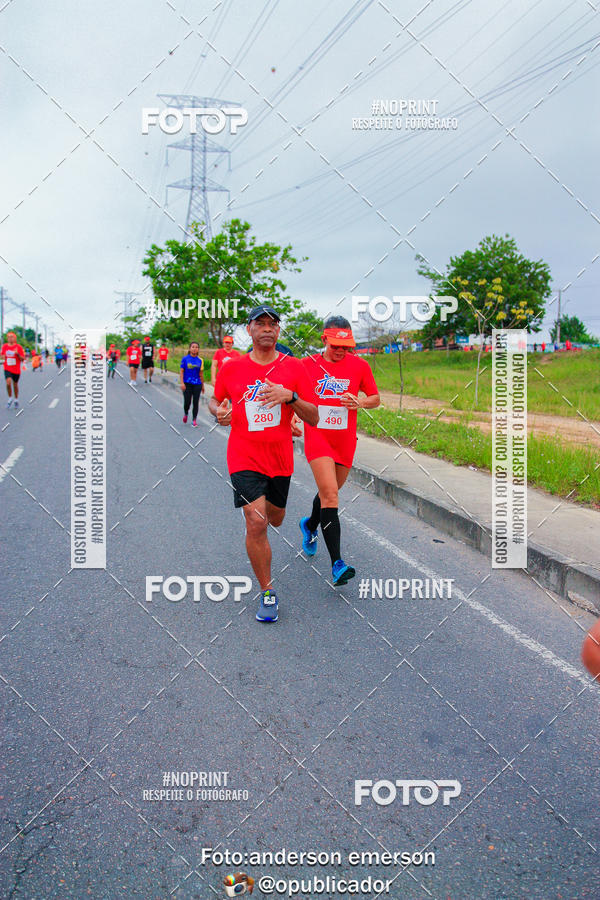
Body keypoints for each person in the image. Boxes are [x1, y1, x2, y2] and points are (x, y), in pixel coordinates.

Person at [209, 305, 318, 623]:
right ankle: (267, 591)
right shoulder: (232, 368)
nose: (267, 328)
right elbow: (215, 399)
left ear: (278, 331)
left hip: (280, 458)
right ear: (250, 330)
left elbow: (314, 415)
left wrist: (291, 397)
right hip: (243, 455)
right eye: (261, 324)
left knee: (276, 519)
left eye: (273, 324)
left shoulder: (295, 367)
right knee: (255, 522)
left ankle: (280, 522)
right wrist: (219, 412)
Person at [299, 316, 380, 586]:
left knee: (328, 492)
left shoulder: (359, 366)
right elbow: (292, 396)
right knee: (330, 494)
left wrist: (360, 401)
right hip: (318, 435)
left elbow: (375, 398)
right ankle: (337, 564)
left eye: (346, 346)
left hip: (345, 440)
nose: (341, 350)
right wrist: (290, 421)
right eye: (335, 345)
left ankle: (310, 525)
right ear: (324, 340)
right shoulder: (307, 365)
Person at [180, 341, 204, 426]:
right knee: (187, 402)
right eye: (193, 347)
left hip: (197, 383)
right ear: (190, 348)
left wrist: (203, 385)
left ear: (198, 349)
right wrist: (182, 383)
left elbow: (201, 374)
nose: (194, 348)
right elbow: (182, 371)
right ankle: (186, 413)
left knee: (195, 402)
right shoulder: (185, 359)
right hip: (187, 383)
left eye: (196, 347)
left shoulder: (200, 360)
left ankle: (194, 419)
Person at [1, 332, 26, 408]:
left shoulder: (18, 347)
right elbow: (2, 356)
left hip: (16, 369)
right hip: (7, 368)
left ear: (15, 338)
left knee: (15, 384)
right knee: (8, 383)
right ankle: (10, 398)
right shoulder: (5, 346)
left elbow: (23, 359)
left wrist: (17, 353)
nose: (10, 338)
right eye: (8, 337)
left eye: (12, 337)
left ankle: (16, 399)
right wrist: (4, 355)